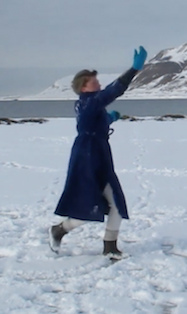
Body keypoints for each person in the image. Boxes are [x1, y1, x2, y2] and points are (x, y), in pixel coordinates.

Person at [49, 46, 148, 259]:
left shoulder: (87, 104)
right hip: (89, 157)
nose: (99, 84)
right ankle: (62, 231)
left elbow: (90, 122)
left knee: (106, 204)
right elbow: (113, 91)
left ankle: (106, 245)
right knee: (94, 205)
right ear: (84, 87)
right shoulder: (91, 102)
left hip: (95, 153)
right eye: (94, 82)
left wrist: (108, 119)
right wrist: (134, 69)